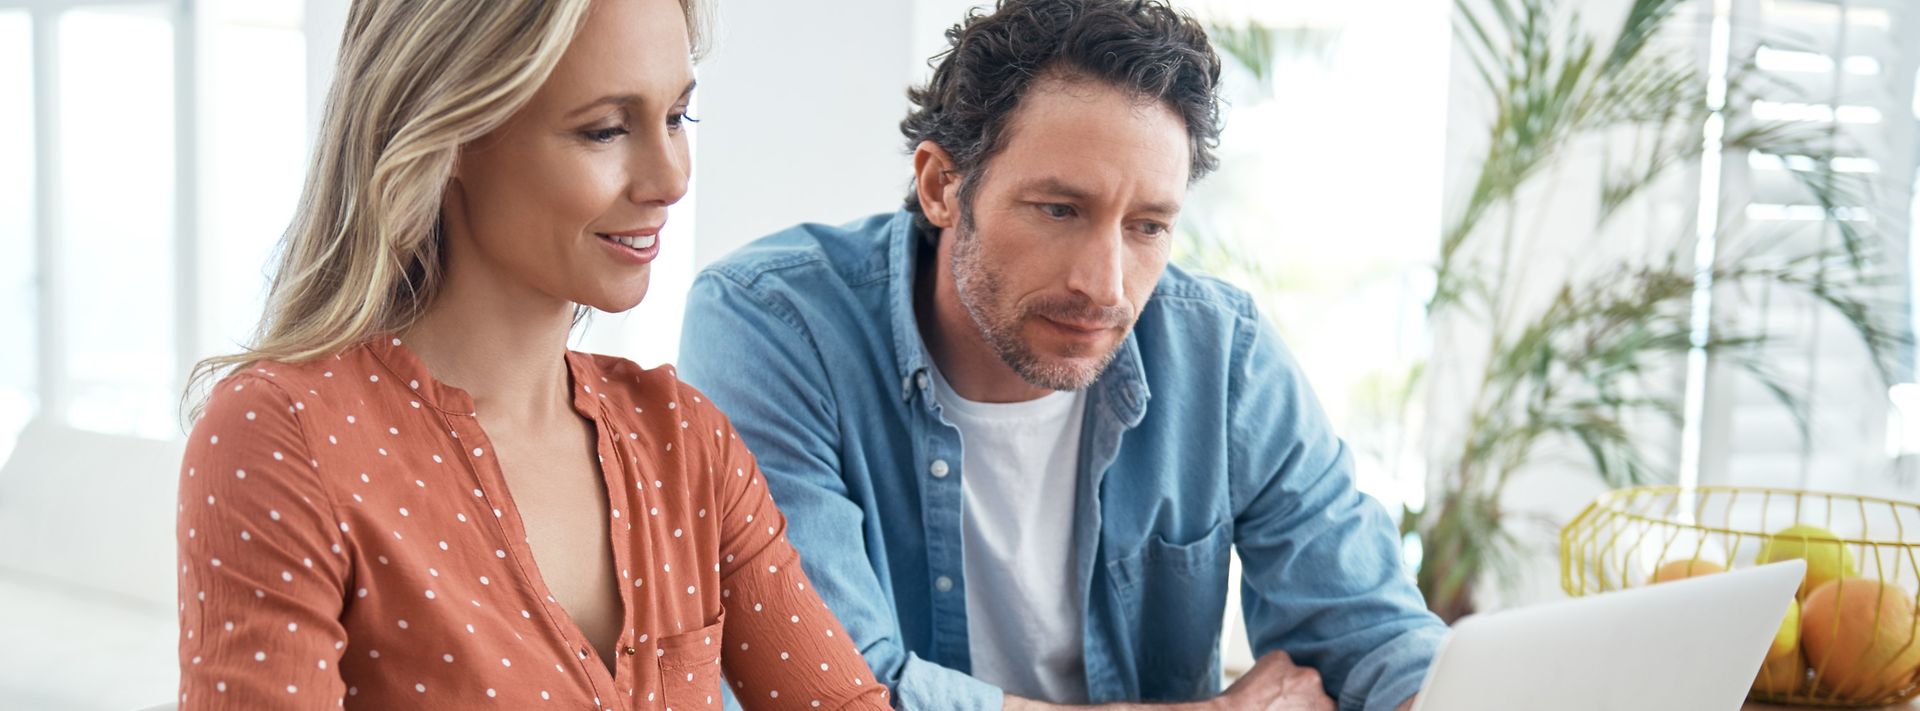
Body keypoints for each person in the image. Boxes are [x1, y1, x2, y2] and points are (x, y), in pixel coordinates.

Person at [678, 1, 1444, 710]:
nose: (1104, 286)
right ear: (943, 185)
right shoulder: (770, 323)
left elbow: (1374, 642)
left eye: (1147, 226)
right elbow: (833, 690)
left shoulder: (1223, 356)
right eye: (1060, 210)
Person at [175, 1, 891, 708]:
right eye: (604, 130)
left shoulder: (685, 442)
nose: (670, 178)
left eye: (677, 117)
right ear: (450, 130)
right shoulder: (285, 436)